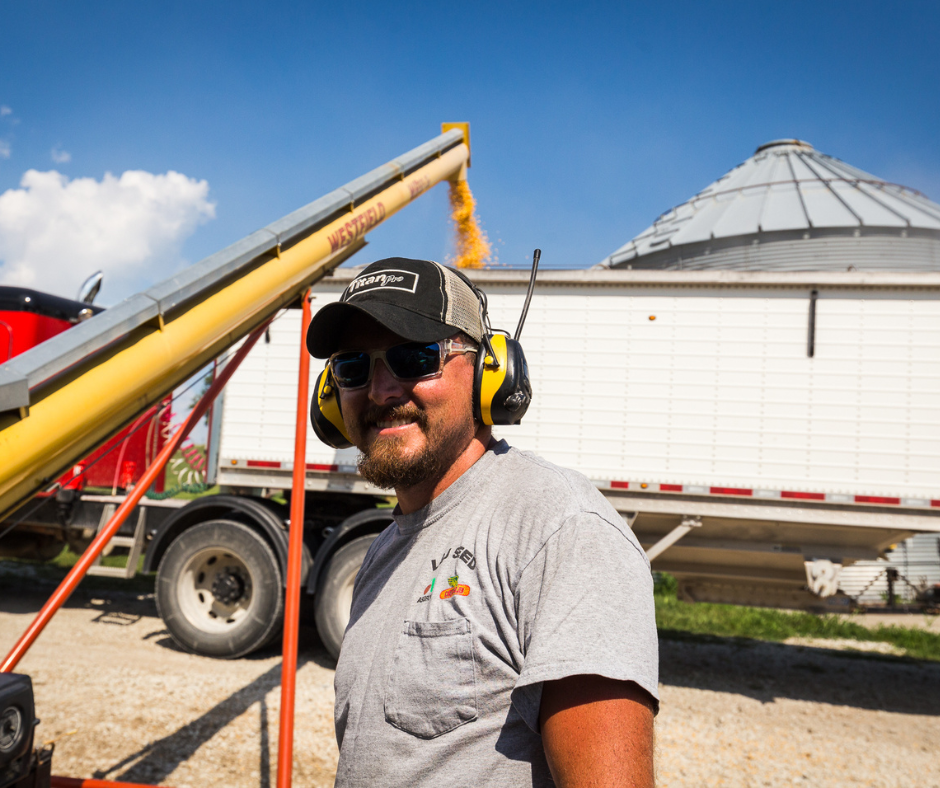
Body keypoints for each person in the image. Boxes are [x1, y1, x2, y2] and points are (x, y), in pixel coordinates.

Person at [306, 257, 659, 787]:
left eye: (414, 358)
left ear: (489, 373)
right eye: (353, 367)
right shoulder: (383, 549)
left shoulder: (559, 530)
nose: (380, 390)